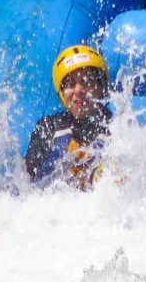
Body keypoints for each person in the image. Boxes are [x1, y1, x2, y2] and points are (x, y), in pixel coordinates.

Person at [25, 45, 112, 190]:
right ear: (62, 93)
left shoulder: (116, 129)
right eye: (70, 84)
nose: (78, 90)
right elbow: (27, 185)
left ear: (100, 88)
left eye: (86, 82)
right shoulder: (49, 128)